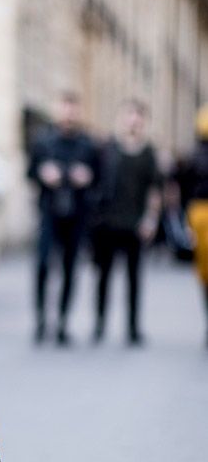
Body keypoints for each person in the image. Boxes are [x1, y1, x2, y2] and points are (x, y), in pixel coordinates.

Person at [28, 92, 98, 344]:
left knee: (70, 269)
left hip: (77, 216)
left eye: (73, 108)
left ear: (78, 112)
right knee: (44, 266)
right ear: (58, 110)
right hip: (49, 213)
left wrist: (88, 177)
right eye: (65, 108)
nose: (69, 113)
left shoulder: (88, 145)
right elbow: (30, 172)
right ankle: (40, 320)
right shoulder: (44, 142)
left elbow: (100, 179)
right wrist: (42, 173)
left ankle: (62, 322)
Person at [91, 100, 161, 344]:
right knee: (104, 277)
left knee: (134, 278)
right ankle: (99, 324)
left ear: (143, 121)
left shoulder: (148, 152)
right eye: (129, 115)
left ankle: (132, 328)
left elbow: (154, 189)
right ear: (122, 118)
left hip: (135, 225)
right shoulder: (109, 149)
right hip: (108, 224)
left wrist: (150, 219)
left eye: (138, 116)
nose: (133, 120)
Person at [184, 104, 208, 345]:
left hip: (198, 214)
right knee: (204, 272)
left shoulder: (194, 156)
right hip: (200, 214)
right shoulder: (195, 156)